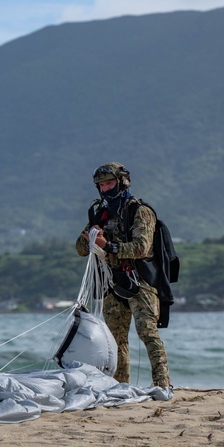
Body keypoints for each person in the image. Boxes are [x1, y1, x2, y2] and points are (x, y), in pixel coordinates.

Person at [75, 162, 171, 388]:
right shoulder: (100, 214)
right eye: (101, 185)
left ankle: (162, 382)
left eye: (109, 183)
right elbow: (81, 249)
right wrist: (88, 236)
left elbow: (142, 247)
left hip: (140, 281)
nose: (105, 189)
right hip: (111, 282)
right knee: (115, 341)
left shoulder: (140, 212)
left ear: (122, 182)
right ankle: (120, 386)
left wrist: (109, 246)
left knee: (147, 333)